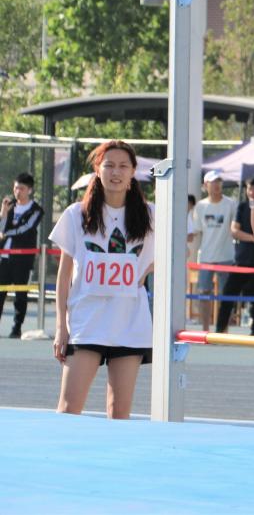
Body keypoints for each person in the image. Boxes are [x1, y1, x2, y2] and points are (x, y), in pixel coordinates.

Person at [49, 141, 155, 419]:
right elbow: (64, 274)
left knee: (119, 412)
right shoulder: (76, 214)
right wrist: (61, 327)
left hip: (129, 323)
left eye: (123, 166)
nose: (116, 172)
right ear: (97, 170)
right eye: (109, 165)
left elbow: (177, 253)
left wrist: (144, 271)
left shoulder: (151, 215)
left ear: (133, 171)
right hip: (86, 323)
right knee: (69, 408)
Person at [215, 175, 254, 335]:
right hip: (240, 261)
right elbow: (234, 231)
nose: (251, 192)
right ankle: (220, 330)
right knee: (227, 295)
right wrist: (252, 239)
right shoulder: (241, 207)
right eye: (249, 188)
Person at [0, 173, 43, 339]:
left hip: (22, 259)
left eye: (22, 189)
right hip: (4, 257)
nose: (17, 192)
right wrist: (3, 212)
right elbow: (1, 229)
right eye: (16, 188)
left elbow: (26, 229)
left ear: (29, 190)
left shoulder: (36, 210)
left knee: (20, 294)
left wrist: (5, 233)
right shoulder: (9, 206)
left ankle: (17, 327)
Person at [193, 171, 237, 332]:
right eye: (213, 182)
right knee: (204, 293)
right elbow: (196, 232)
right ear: (206, 185)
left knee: (226, 296)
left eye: (219, 181)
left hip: (226, 256)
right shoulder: (200, 206)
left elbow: (236, 228)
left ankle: (223, 330)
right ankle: (205, 329)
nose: (217, 185)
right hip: (206, 257)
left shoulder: (231, 204)